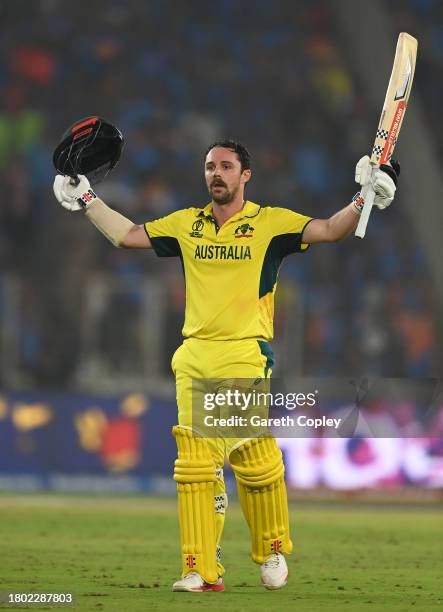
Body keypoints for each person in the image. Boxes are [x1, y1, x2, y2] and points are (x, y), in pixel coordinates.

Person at [53, 139, 398, 592]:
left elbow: (331, 229)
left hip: (243, 351)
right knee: (197, 463)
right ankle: (199, 568)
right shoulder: (186, 224)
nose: (216, 173)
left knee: (251, 460)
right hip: (194, 354)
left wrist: (365, 196)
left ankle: (272, 549)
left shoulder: (271, 223)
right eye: (210, 166)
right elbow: (127, 235)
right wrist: (87, 199)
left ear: (245, 175)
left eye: (226, 166)